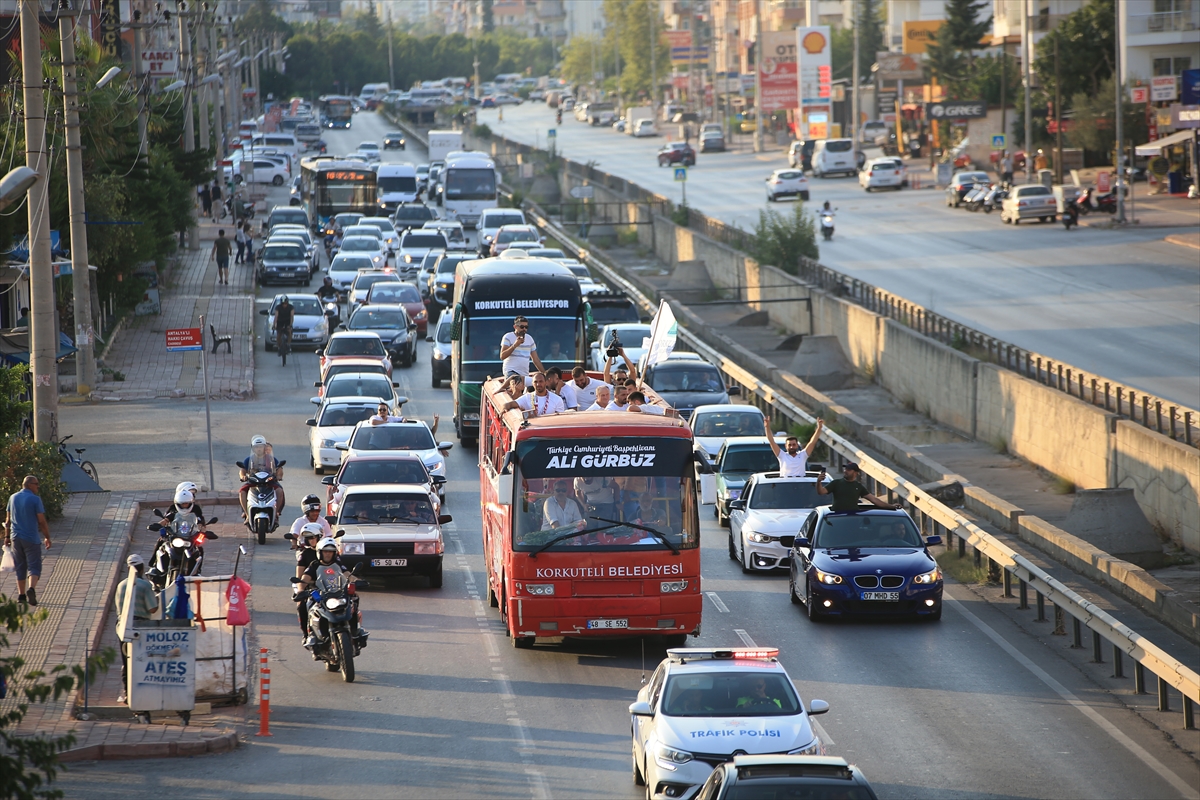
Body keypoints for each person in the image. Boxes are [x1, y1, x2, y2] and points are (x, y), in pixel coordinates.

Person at [299, 538, 366, 649]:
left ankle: (356, 629)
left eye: (330, 552)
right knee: (303, 605)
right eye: (325, 551)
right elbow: (304, 579)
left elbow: (348, 575)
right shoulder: (314, 565)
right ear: (320, 552)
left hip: (337, 592)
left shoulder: (337, 564)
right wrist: (301, 590)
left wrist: (357, 581)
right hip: (320, 594)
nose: (328, 554)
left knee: (353, 599)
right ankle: (308, 635)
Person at [113, 553, 158, 703]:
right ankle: (143, 692)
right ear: (142, 568)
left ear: (128, 568)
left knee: (126, 661)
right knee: (142, 660)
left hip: (123, 627)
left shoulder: (120, 585)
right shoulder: (145, 586)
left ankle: (127, 693)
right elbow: (152, 609)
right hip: (141, 627)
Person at [4, 475, 52, 606]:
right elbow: (41, 521)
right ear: (30, 485)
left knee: (20, 566)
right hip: (31, 538)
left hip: (16, 538)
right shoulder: (35, 500)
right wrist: (47, 537)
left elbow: (7, 521)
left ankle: (21, 595)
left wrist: (6, 537)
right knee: (34, 565)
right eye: (36, 484)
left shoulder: (12, 497)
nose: (38, 487)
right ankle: (31, 589)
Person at [816, 462, 902, 511]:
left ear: (855, 473)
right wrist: (819, 481)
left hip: (853, 516)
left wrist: (892, 506)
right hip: (837, 516)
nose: (845, 471)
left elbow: (874, 500)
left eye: (849, 470)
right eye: (845, 469)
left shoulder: (858, 486)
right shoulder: (836, 483)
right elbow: (821, 492)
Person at [240, 435, 285, 518]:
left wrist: (278, 476)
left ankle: (276, 513)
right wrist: (243, 476)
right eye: (256, 447)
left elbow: (279, 468)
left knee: (279, 490)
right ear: (253, 448)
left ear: (265, 447)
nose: (259, 449)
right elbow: (242, 470)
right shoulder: (249, 459)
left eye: (261, 447)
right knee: (242, 491)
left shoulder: (271, 458)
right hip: (254, 481)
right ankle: (246, 513)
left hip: (269, 480)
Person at [369, 401, 439, 436]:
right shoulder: (375, 417)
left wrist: (404, 420)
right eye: (380, 410)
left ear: (387, 411)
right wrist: (386, 423)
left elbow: (402, 418)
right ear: (377, 411)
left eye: (384, 410)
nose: (382, 411)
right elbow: (373, 422)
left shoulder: (391, 418)